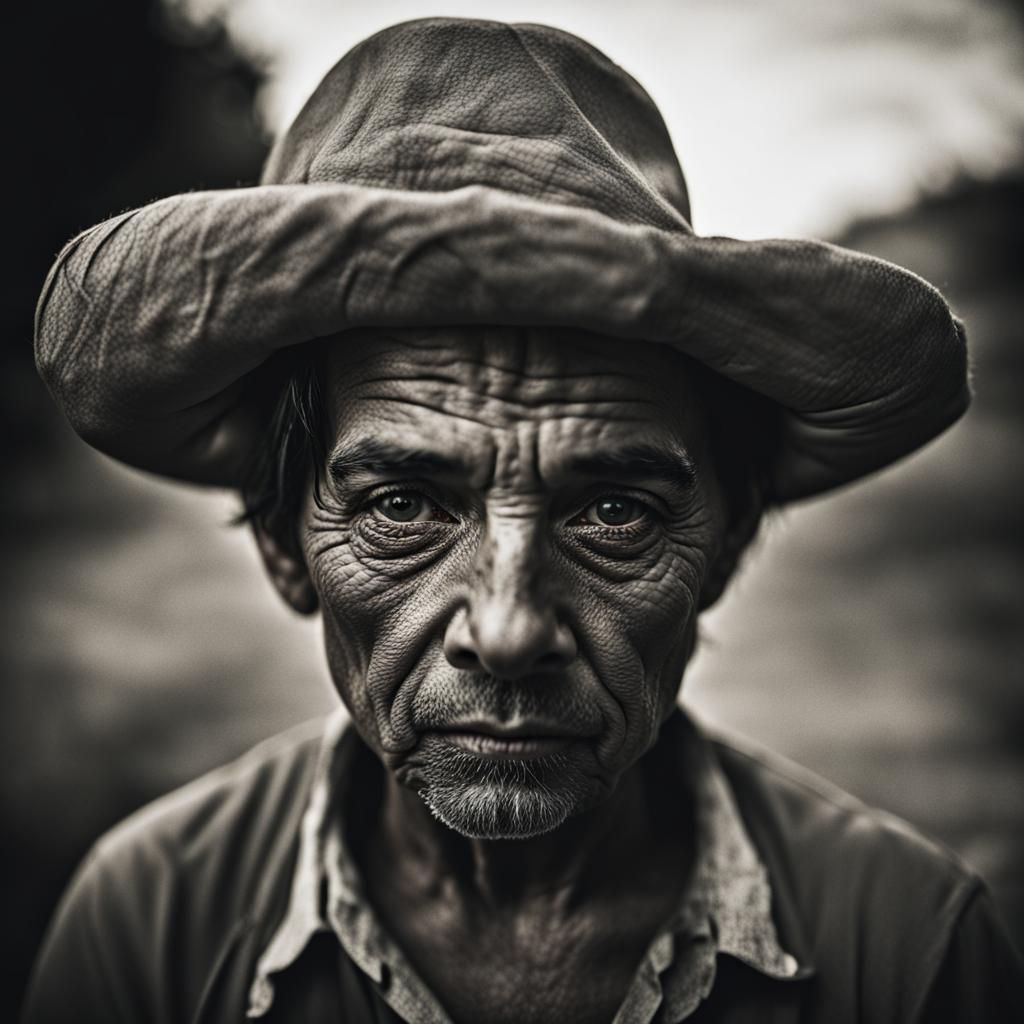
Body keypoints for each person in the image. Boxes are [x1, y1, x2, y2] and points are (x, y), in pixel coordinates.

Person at [22, 17, 1022, 1024]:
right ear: (286, 547)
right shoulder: (149, 924)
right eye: (402, 505)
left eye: (613, 511)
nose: (506, 632)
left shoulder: (907, 952)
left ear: (722, 543)